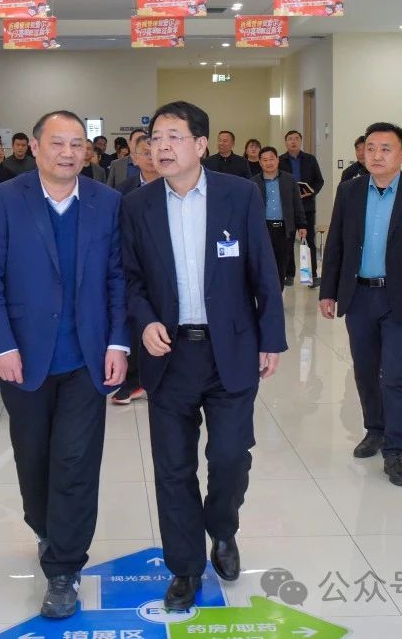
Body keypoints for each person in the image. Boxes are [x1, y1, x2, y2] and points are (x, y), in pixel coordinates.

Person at [120, 101, 286, 612]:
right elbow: (130, 279)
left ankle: (223, 528)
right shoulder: (138, 205)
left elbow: (263, 269)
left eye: (174, 136)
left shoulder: (240, 194)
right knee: (173, 468)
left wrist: (271, 338)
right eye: (155, 138)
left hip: (230, 349)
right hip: (169, 355)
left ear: (200, 144)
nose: (162, 146)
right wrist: (145, 320)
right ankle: (185, 568)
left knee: (230, 458)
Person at [0, 110, 129, 620]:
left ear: (88, 151)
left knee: (76, 461)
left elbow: (117, 277)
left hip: (87, 356)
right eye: (58, 143)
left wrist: (118, 343)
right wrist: (1, 345)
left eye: (77, 144)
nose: (68, 152)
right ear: (36, 148)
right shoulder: (6, 199)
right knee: (34, 458)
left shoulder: (106, 202)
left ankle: (64, 568)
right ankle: (45, 527)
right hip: (24, 357)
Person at [318, 122, 402, 488]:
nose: (376, 155)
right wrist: (328, 291)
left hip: (401, 298)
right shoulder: (349, 191)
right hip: (359, 296)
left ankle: (395, 451)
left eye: (385, 149)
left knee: (396, 375)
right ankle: (374, 430)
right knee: (364, 371)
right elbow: (336, 245)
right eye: (371, 148)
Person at [111, 135, 161, 405]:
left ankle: (159, 378)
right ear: (135, 158)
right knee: (135, 320)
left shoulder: (173, 185)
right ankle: (133, 380)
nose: (151, 157)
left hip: (164, 269)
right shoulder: (123, 191)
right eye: (145, 152)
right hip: (133, 266)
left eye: (155, 151)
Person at [256, 145, 307, 288]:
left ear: (277, 160)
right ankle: (265, 293)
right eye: (265, 160)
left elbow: (297, 203)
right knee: (264, 263)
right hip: (263, 229)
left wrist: (302, 225)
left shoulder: (289, 180)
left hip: (284, 229)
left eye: (272, 159)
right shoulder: (254, 183)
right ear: (260, 163)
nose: (269, 162)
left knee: (281, 264)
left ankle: (278, 293)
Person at [279, 131, 325, 287]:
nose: (293, 142)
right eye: (290, 139)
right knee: (288, 241)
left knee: (309, 241)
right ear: (285, 142)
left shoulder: (310, 159)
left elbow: (319, 181)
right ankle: (289, 274)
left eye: (296, 139)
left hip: (307, 206)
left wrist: (311, 192)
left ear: (301, 141)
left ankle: (312, 275)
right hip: (288, 207)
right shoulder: (280, 160)